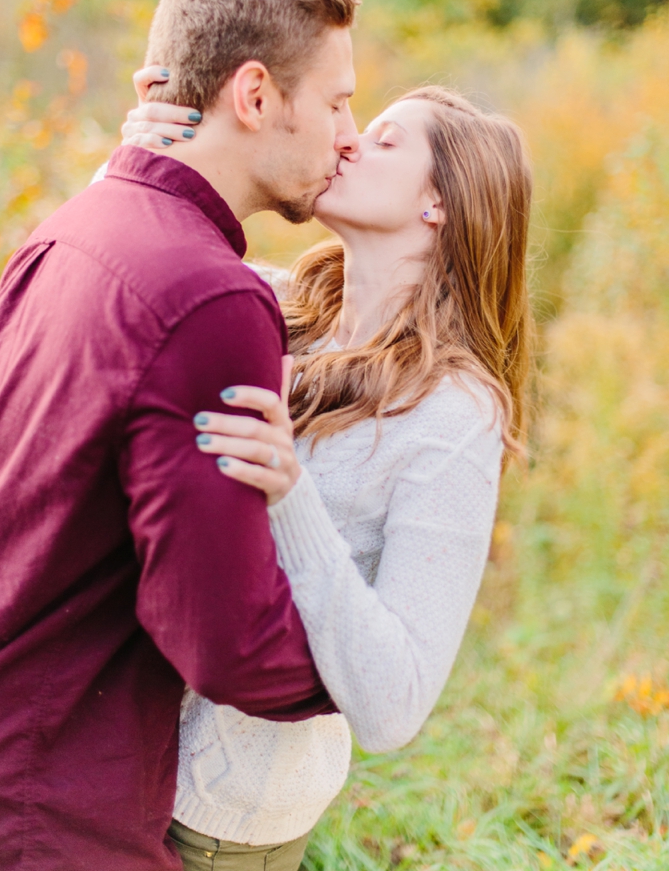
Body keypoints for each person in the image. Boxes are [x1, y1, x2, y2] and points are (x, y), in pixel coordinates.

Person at [0, 0, 362, 871]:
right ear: (254, 96)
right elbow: (228, 643)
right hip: (51, 812)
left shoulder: (71, 228)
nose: (349, 133)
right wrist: (383, 674)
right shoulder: (211, 297)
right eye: (337, 101)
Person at [118, 75, 533, 871]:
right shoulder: (279, 308)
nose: (347, 141)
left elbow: (395, 707)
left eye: (383, 141)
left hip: (221, 822)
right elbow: (114, 283)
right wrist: (144, 162)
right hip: (112, 761)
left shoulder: (453, 415)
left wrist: (290, 494)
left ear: (438, 203)